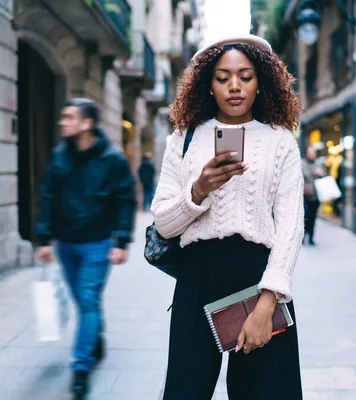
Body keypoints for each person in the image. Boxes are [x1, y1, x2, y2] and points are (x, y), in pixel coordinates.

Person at [151, 34, 304, 400]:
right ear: (208, 84)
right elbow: (163, 224)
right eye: (222, 77)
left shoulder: (280, 140)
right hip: (197, 281)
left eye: (245, 76)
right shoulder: (183, 139)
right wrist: (198, 190)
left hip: (259, 281)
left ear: (260, 82)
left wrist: (268, 303)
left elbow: (290, 227)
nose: (234, 86)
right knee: (184, 392)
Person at [35, 98, 136, 398]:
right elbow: (49, 197)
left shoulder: (113, 159)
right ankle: (95, 336)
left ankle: (81, 366)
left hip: (98, 243)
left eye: (69, 117)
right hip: (66, 244)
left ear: (87, 123)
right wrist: (44, 238)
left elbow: (125, 201)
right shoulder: (59, 156)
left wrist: (121, 242)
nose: (62, 122)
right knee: (83, 300)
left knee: (88, 299)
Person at [302, 145, 325, 245]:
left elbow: (324, 175)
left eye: (313, 153)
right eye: (310, 153)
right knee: (305, 217)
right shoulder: (302, 163)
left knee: (313, 217)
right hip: (305, 195)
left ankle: (311, 237)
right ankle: (302, 237)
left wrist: (322, 173)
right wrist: (314, 172)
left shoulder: (318, 163)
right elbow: (303, 174)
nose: (312, 155)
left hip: (316, 195)